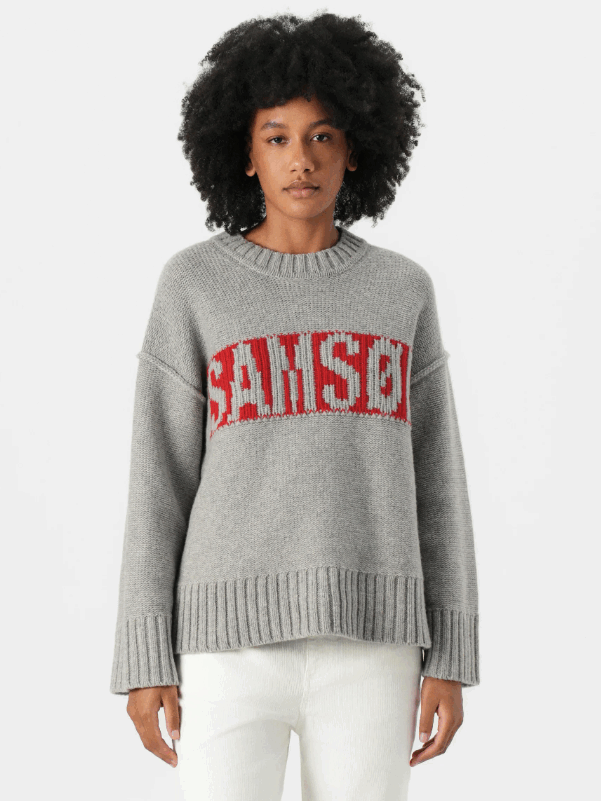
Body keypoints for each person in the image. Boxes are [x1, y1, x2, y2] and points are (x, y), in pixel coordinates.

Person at [109, 11, 480, 800]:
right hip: (223, 647)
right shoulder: (193, 285)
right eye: (276, 137)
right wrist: (143, 656)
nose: (300, 159)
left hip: (373, 645)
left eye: (322, 136)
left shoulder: (401, 291)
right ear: (244, 152)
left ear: (356, 149)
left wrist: (450, 653)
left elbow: (438, 484)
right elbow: (158, 480)